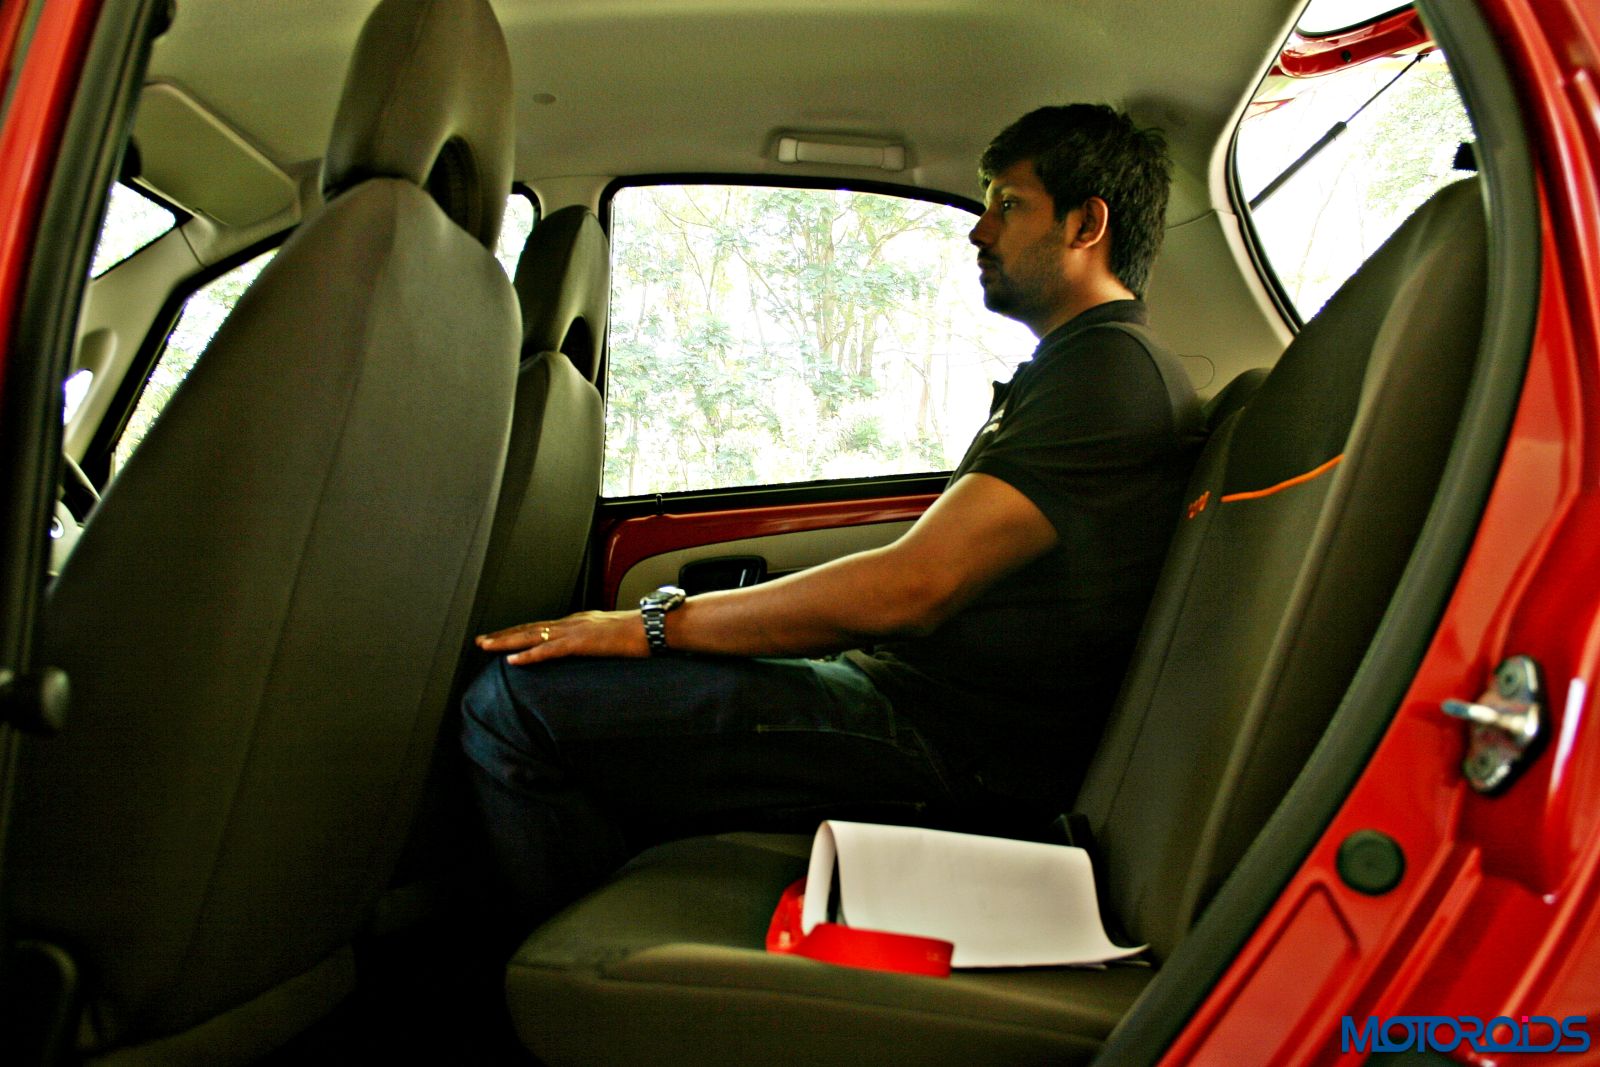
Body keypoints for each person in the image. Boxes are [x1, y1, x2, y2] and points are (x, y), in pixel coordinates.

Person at [460, 103, 1200, 923]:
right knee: (557, 693)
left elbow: (912, 587)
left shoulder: (1110, 373)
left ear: (1086, 224)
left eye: (1008, 204)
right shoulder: (1078, 368)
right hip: (915, 709)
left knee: (511, 705)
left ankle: (565, 975)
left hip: (950, 748)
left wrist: (655, 626)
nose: (980, 230)